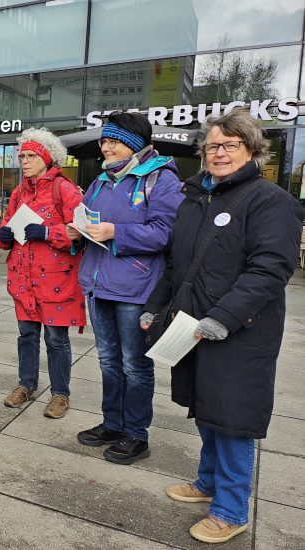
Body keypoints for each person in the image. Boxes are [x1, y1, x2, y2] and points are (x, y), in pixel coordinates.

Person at [142, 107, 305, 544]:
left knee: (233, 419)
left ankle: (231, 510)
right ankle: (208, 481)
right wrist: (155, 308)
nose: (219, 153)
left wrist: (224, 317)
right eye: (213, 145)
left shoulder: (272, 201)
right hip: (192, 326)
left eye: (230, 145)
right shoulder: (194, 199)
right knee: (206, 408)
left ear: (252, 151)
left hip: (240, 333)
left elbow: (271, 269)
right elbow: (176, 264)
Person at [68, 112, 183, 464]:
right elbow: (87, 220)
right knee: (107, 361)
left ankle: (136, 434)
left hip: (136, 288)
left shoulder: (161, 179)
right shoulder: (101, 181)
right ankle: (112, 423)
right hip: (99, 285)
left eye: (112, 140)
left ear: (133, 143)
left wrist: (117, 232)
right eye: (104, 140)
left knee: (134, 365)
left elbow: (167, 232)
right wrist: (78, 234)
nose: (105, 146)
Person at [0, 128, 85, 418]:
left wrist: (48, 232)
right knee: (27, 335)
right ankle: (26, 384)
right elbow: (2, 232)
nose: (25, 161)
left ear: (46, 157)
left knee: (57, 339)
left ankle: (60, 394)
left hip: (56, 279)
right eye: (22, 156)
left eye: (31, 156)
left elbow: (81, 230)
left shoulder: (63, 188)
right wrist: (4, 235)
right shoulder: (20, 192)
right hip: (24, 279)